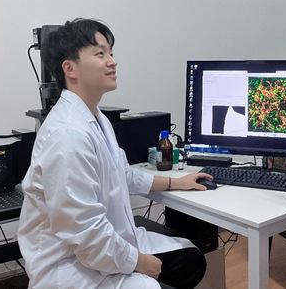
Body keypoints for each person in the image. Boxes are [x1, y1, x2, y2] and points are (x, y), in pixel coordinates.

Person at [18, 18, 210, 289]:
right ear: (70, 68)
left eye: (111, 53)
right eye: (100, 54)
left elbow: (122, 174)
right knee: (153, 281)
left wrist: (176, 182)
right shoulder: (67, 136)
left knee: (190, 260)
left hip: (100, 247)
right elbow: (85, 233)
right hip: (71, 265)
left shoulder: (96, 118)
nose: (112, 62)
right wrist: (140, 263)